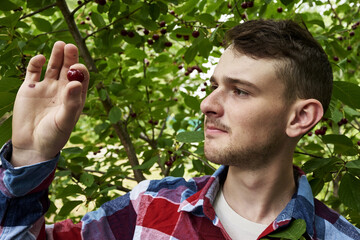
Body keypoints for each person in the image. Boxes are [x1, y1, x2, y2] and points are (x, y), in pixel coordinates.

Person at [0, 19, 359, 240]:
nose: (207, 104)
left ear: (300, 118)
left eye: (239, 90)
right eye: (214, 85)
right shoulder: (149, 207)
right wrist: (31, 155)